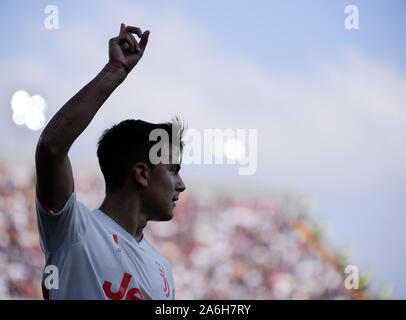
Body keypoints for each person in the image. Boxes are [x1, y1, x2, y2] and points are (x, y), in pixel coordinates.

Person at [34, 23, 186, 300]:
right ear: (141, 174)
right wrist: (115, 71)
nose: (182, 185)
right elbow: (52, 147)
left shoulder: (162, 268)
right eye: (173, 171)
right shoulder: (72, 231)